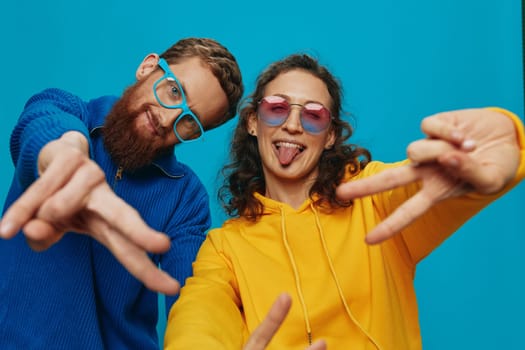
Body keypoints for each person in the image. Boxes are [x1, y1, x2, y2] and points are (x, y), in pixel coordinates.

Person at [163, 53, 525, 349]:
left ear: (331, 135)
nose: (292, 124)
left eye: (313, 115)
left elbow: (430, 184)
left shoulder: (374, 196)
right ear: (253, 122)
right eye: (276, 108)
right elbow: (200, 314)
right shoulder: (225, 247)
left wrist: (501, 141)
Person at [0, 37, 243, 349]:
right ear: (148, 67)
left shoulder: (186, 197)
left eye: (189, 122)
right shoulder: (66, 110)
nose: (168, 118)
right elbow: (44, 126)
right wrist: (65, 157)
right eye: (173, 91)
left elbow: (190, 298)